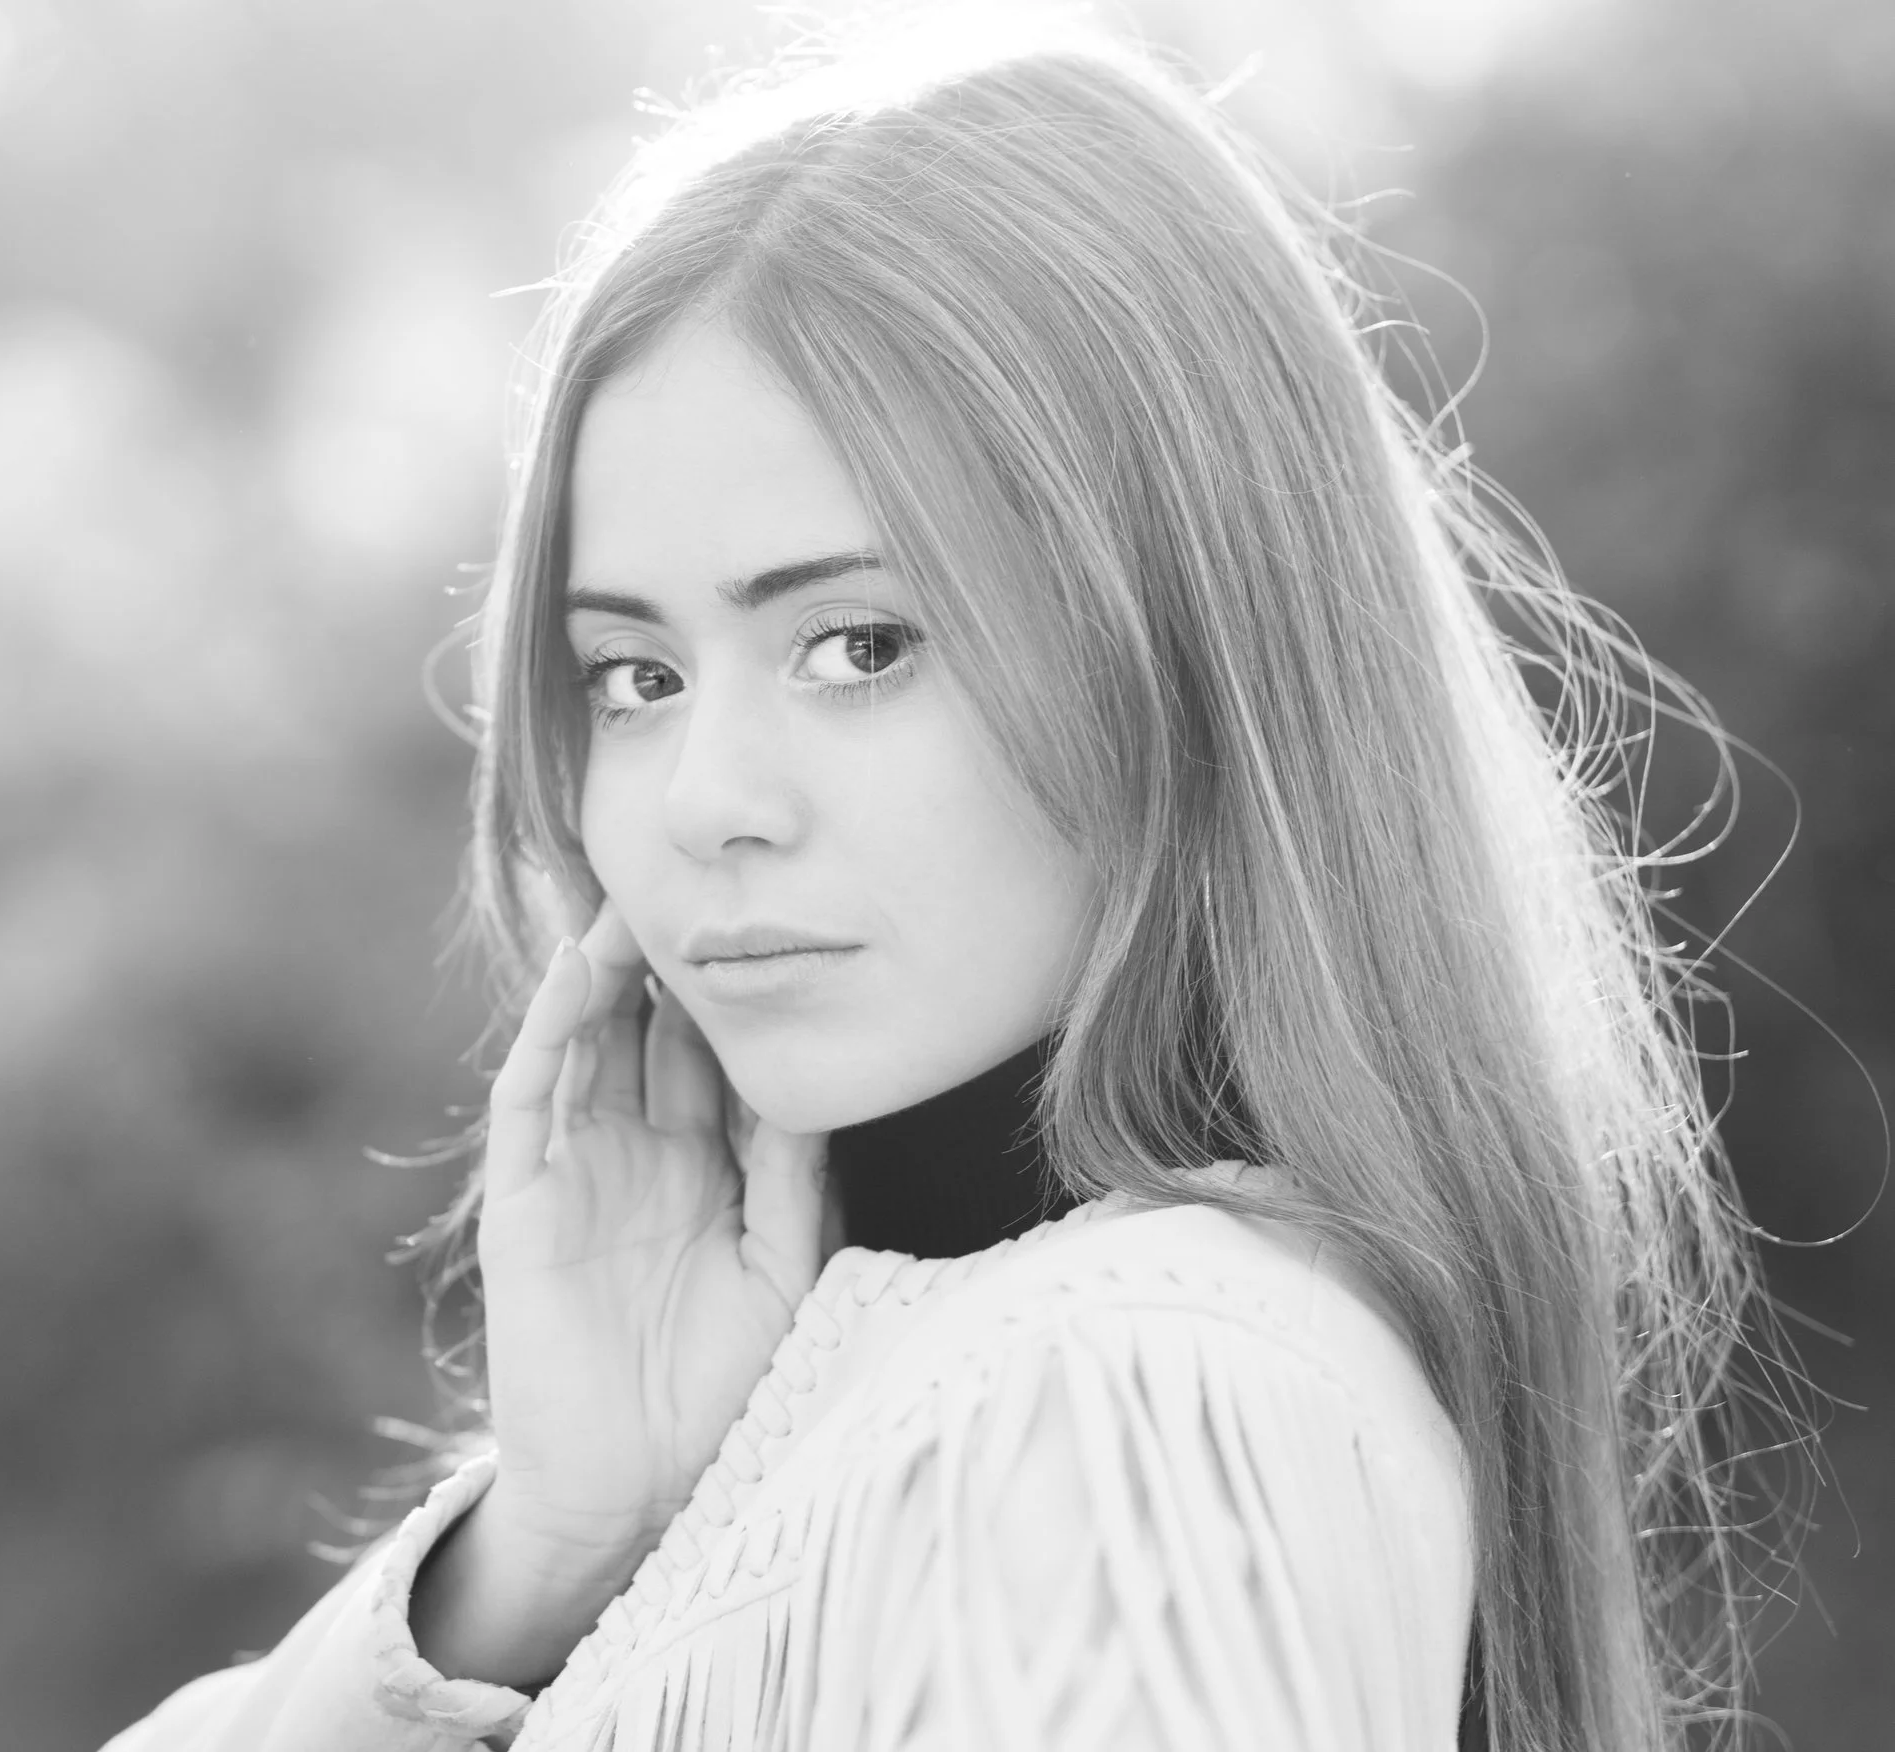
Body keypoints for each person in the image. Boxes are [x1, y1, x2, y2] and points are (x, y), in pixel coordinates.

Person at [103, 15, 1794, 1751]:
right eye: (637, 675)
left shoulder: (1145, 1389)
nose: (706, 803)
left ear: (1190, 643)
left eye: (858, 643)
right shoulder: (966, 1376)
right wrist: (551, 1539)